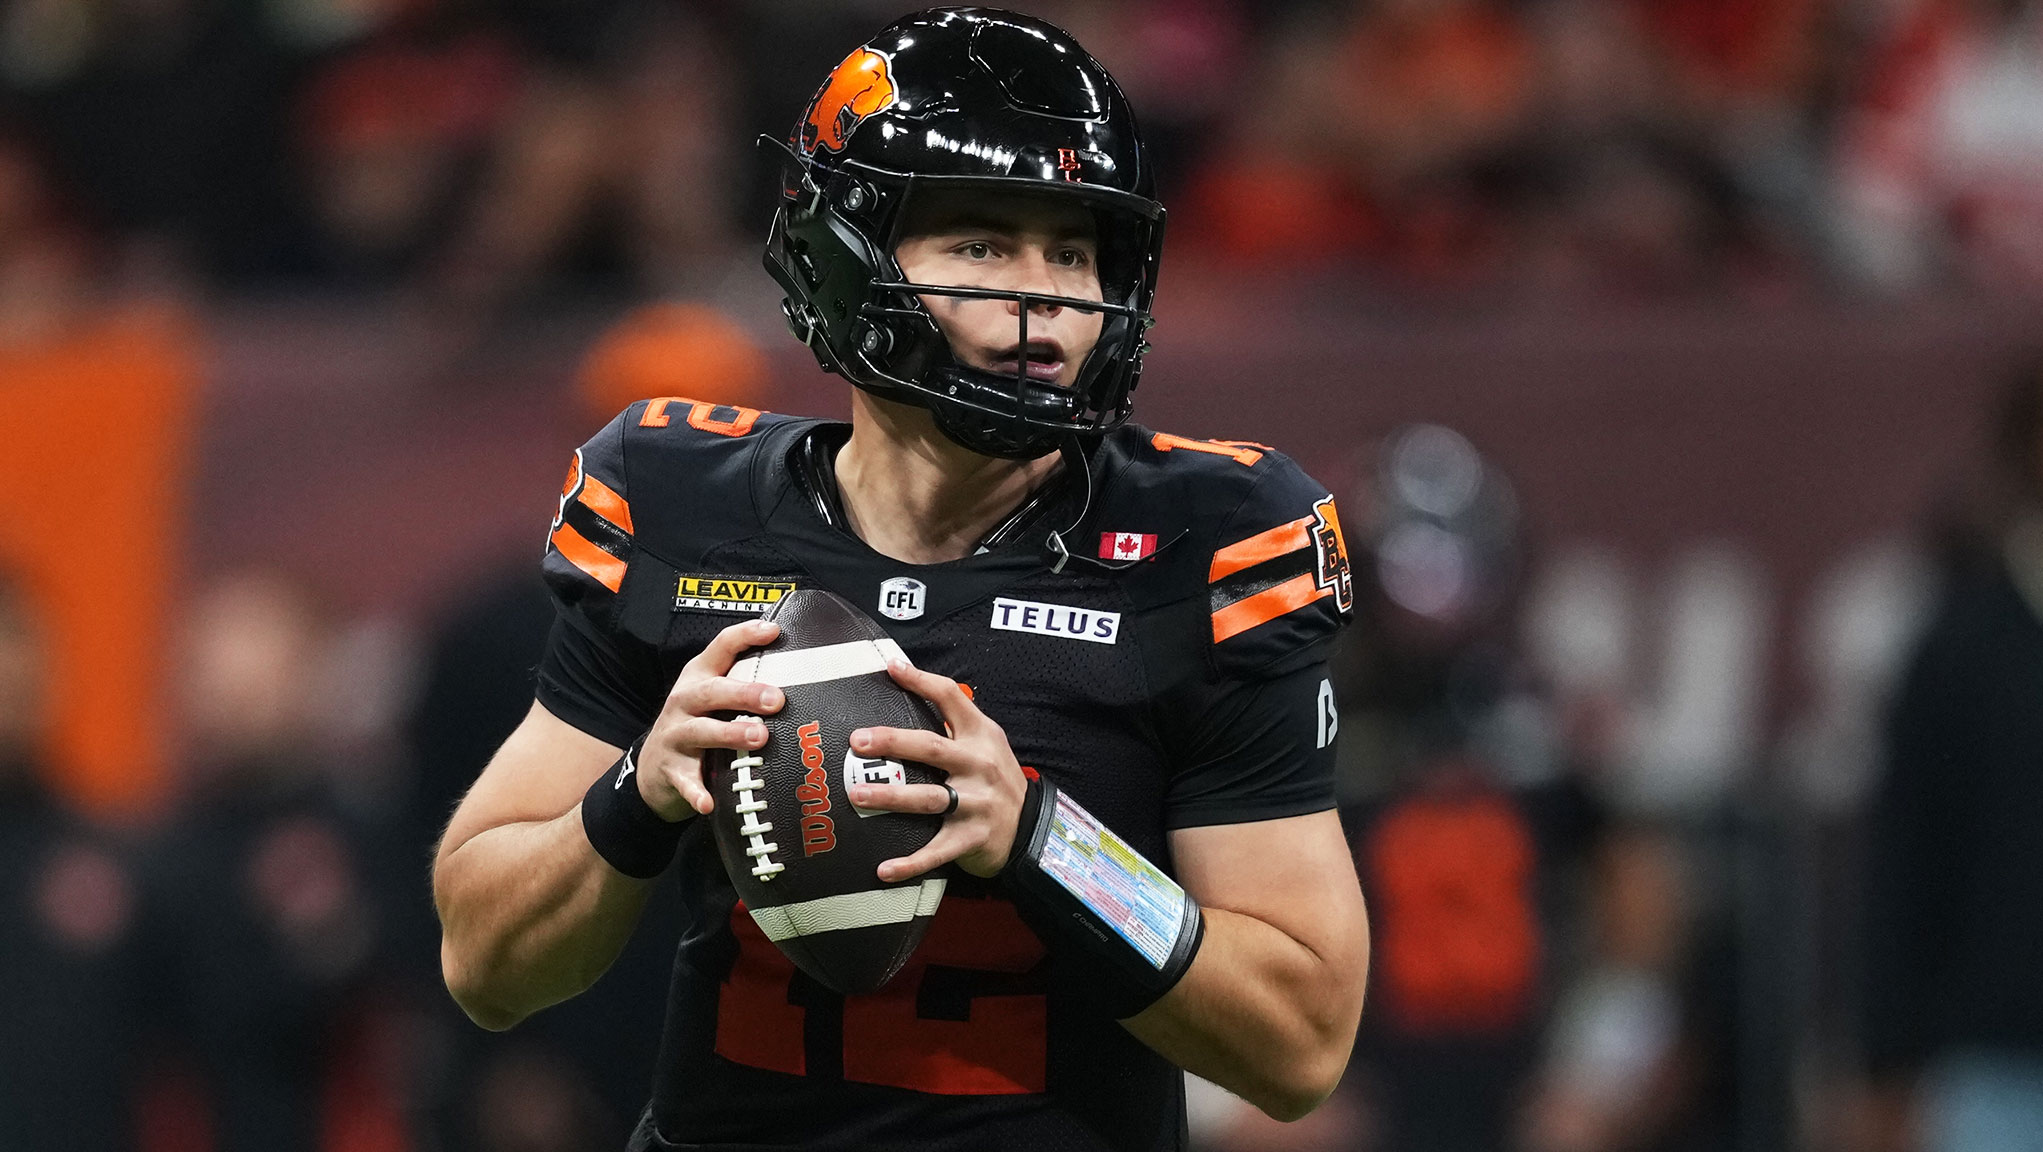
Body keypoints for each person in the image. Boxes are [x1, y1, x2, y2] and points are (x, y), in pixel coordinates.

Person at [432, 10, 1371, 1151]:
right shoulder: (683, 507)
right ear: (845, 255)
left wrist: (1042, 842)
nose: (1045, 297)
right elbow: (484, 966)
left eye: (1073, 251)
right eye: (982, 245)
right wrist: (638, 792)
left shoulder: (1202, 541)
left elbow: (1300, 1046)